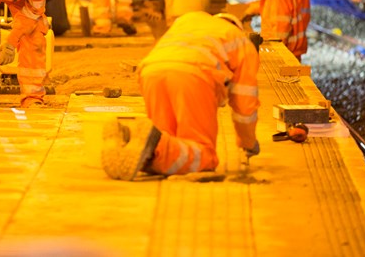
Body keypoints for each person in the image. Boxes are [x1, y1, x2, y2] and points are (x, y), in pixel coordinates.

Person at [101, 12, 261, 181]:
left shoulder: (188, 20)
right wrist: (247, 143)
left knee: (165, 138)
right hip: (194, 75)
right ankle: (154, 146)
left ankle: (130, 143)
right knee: (204, 155)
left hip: (151, 72)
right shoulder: (240, 40)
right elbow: (245, 103)